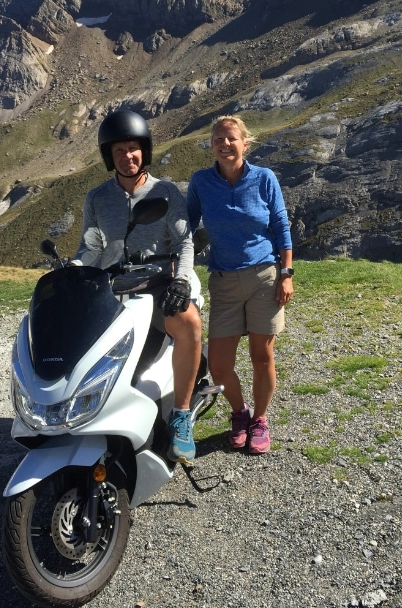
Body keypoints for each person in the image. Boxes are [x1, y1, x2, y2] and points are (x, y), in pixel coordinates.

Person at [74, 109, 202, 465]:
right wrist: (74, 269)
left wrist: (180, 280)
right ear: (108, 157)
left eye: (133, 149)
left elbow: (184, 244)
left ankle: (181, 414)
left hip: (158, 284)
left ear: (144, 151)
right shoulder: (97, 199)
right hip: (113, 288)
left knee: (189, 323)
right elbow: (91, 246)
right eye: (118, 151)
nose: (127, 157)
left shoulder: (166, 193)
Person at [186, 115, 293, 454]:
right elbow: (185, 228)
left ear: (246, 144)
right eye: (218, 139)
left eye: (231, 138)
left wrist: (287, 273)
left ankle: (259, 419)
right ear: (212, 146)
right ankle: (239, 412)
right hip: (224, 281)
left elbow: (280, 225)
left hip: (265, 276)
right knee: (218, 366)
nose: (224, 143)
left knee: (262, 356)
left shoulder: (264, 178)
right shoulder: (201, 182)